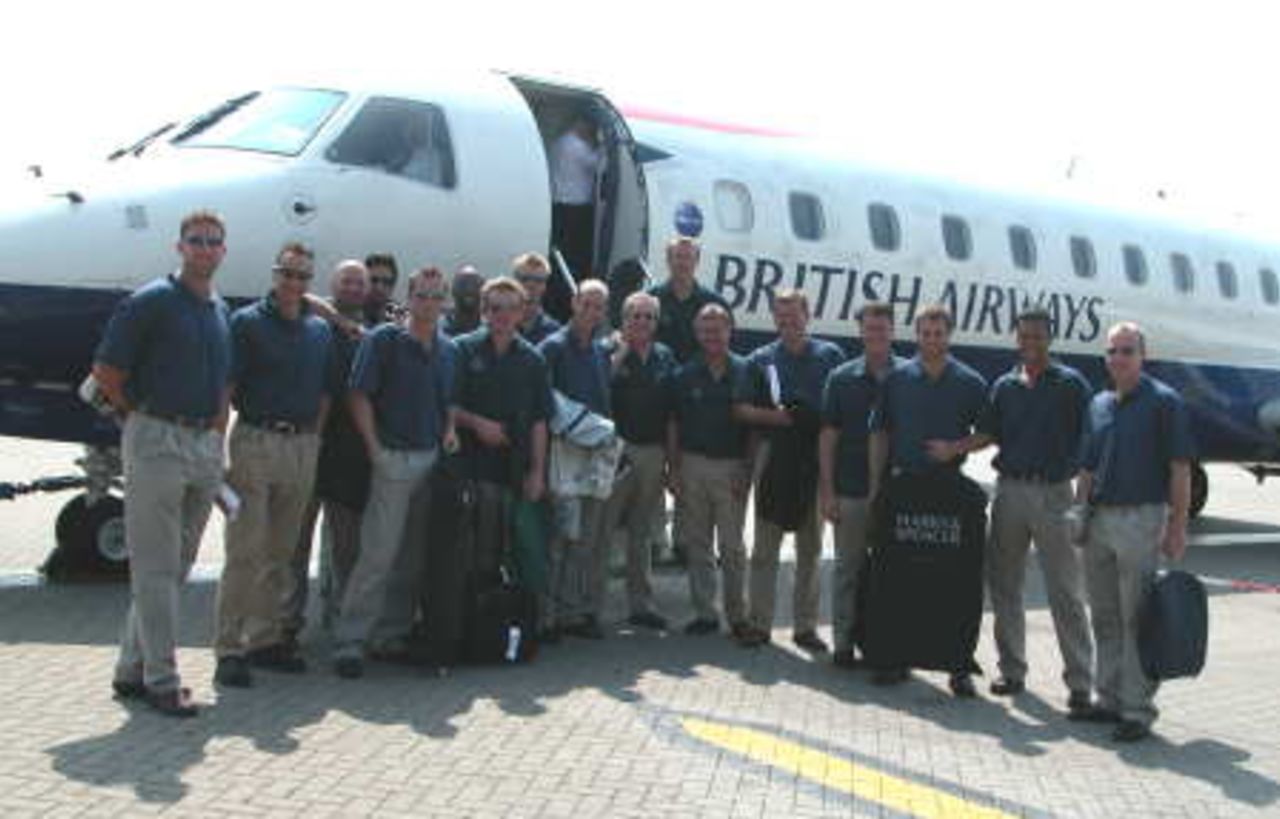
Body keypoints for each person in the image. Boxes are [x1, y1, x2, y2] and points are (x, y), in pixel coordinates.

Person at [92, 210, 233, 717]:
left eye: (213, 242)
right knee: (153, 567)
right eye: (195, 240)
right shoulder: (151, 302)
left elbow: (223, 385)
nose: (204, 249)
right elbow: (107, 372)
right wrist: (142, 420)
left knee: (176, 566)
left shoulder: (216, 310)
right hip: (157, 437)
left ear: (222, 251)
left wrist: (217, 441)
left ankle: (132, 669)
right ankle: (162, 679)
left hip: (202, 445)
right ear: (180, 248)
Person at [213, 242, 334, 687]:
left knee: (281, 553)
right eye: (287, 273)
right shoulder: (246, 324)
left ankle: (264, 640)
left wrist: (316, 438)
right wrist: (218, 444)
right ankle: (228, 647)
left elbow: (326, 390)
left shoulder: (318, 330)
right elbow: (226, 386)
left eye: (303, 276)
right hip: (256, 440)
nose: (294, 283)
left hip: (301, 444)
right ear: (274, 274)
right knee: (245, 549)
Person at [333, 267, 458, 678]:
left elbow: (448, 401)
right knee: (378, 553)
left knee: (412, 557)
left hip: (430, 460)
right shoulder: (384, 340)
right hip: (393, 460)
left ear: (444, 303)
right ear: (410, 297)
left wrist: (450, 430)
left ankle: (391, 634)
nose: (429, 304)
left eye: (436, 297)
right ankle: (351, 639)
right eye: (422, 296)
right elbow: (358, 395)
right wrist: (375, 449)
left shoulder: (448, 349)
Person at [1073, 321, 1193, 743]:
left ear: (1143, 356)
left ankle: (1138, 710)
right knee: (1104, 615)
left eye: (1127, 351)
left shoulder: (1165, 403)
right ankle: (1108, 700)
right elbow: (1087, 466)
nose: (1119, 359)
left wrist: (1177, 526)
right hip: (1100, 520)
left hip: (1142, 519)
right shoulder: (1099, 404)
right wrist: (1080, 514)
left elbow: (1180, 468)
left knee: (1135, 618)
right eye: (1113, 351)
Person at [977, 308, 1095, 713]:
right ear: (1016, 339)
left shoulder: (1071, 385)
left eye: (1037, 337)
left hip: (1053, 495)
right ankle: (1012, 670)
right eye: (1024, 336)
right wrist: (952, 447)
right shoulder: (1005, 385)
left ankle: (1080, 682)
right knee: (1004, 585)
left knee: (1065, 591)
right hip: (1009, 490)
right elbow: (988, 434)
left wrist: (1083, 500)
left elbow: (1090, 446)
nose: (1030, 343)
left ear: (1050, 338)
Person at [868, 304, 989, 697]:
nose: (932, 340)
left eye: (939, 333)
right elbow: (880, 433)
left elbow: (988, 433)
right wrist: (876, 486)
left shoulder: (969, 381)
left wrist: (955, 447)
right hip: (905, 489)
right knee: (897, 579)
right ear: (916, 335)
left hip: (948, 491)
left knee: (954, 584)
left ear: (949, 336)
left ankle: (958, 666)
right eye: (926, 333)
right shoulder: (898, 379)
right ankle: (893, 657)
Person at [734, 289, 844, 651]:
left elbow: (840, 413)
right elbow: (741, 411)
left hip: (814, 457)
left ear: (807, 314)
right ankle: (759, 623)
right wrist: (777, 418)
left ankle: (805, 627)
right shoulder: (760, 359)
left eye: (793, 316)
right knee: (765, 546)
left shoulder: (829, 357)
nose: (787, 323)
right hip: (774, 453)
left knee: (810, 547)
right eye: (780, 318)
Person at [452, 277, 552, 629]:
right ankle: (470, 622)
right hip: (470, 470)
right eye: (495, 308)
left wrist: (538, 472)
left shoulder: (533, 360)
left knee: (522, 552)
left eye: (511, 308)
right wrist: (476, 423)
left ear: (523, 311)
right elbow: (445, 407)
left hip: (516, 471)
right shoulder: (461, 350)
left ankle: (517, 624)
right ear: (483, 311)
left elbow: (541, 421)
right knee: (474, 554)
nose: (503, 315)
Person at [286, 260, 371, 645]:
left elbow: (412, 316)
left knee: (347, 550)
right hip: (308, 447)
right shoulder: (314, 317)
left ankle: (344, 627)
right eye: (347, 282)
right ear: (333, 286)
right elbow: (302, 296)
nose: (354, 288)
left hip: (347, 455)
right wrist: (340, 321)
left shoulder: (382, 319)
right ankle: (287, 623)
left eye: (361, 283)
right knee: (295, 545)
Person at [818, 302, 904, 669]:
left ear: (893, 331)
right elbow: (827, 437)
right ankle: (842, 642)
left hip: (897, 495)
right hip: (850, 489)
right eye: (869, 329)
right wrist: (827, 490)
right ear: (860, 332)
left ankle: (887, 643)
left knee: (894, 574)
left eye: (882, 329)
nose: (875, 335)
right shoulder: (841, 378)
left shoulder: (909, 377)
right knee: (847, 570)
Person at [668, 304, 752, 637]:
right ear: (697, 334)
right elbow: (673, 424)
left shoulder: (747, 371)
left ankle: (738, 616)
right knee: (698, 543)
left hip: (731, 467)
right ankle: (705, 613)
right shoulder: (684, 374)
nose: (712, 335)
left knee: (732, 547)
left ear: (730, 330)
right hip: (692, 464)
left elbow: (754, 429)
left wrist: (747, 469)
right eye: (705, 329)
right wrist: (673, 469)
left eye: (718, 328)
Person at [539, 280, 613, 639]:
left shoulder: (599, 351)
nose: (592, 312)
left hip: (593, 454)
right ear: (574, 304)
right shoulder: (552, 348)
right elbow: (544, 402)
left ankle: (572, 612)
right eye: (587, 304)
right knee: (559, 538)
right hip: (562, 453)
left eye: (599, 307)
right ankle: (547, 616)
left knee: (585, 538)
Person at [605, 291, 676, 631]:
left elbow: (672, 411)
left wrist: (670, 461)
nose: (642, 322)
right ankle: (588, 605)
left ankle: (641, 604)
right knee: (602, 530)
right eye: (636, 315)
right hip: (616, 452)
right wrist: (619, 354)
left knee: (642, 532)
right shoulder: (609, 350)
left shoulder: (665, 356)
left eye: (649, 317)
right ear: (624, 318)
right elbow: (599, 386)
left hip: (652, 451)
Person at [648, 236, 729, 365]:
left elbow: (726, 347)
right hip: (659, 375)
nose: (683, 263)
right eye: (678, 256)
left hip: (698, 378)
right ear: (668, 260)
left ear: (697, 261)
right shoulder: (650, 299)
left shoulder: (715, 303)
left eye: (688, 257)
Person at [550, 115, 601, 280]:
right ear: (582, 125)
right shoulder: (577, 146)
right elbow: (597, 163)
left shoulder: (559, 142)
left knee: (561, 247)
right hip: (575, 206)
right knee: (575, 250)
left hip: (559, 202)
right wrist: (601, 146)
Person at [514, 252, 562, 345]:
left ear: (545, 286)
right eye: (524, 279)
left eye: (538, 280)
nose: (531, 285)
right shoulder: (499, 326)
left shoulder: (554, 333)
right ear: (514, 282)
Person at [364, 253, 406, 325]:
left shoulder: (402, 317)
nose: (379, 287)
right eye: (374, 280)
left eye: (386, 282)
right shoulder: (349, 314)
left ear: (393, 286)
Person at [443, 264, 483, 337]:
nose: (469, 289)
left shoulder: (492, 330)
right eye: (463, 284)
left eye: (475, 284)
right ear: (453, 290)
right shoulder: (438, 330)